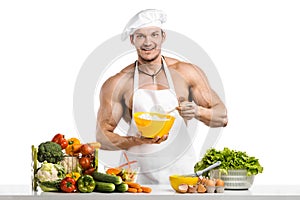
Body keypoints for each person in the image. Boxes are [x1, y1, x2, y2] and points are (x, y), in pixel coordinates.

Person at [96, 9, 228, 184]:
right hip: (135, 177)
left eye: (154, 35)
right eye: (140, 36)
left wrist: (198, 111)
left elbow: (222, 116)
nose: (148, 42)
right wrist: (135, 140)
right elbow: (102, 137)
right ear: (132, 40)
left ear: (163, 37)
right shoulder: (118, 83)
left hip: (181, 173)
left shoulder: (187, 72)